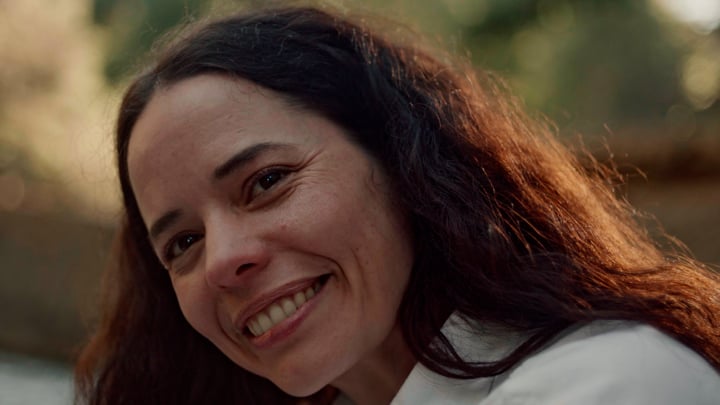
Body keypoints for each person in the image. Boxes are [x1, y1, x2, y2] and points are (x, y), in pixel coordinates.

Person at [75, 5, 720, 405]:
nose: (221, 261)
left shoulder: (613, 384)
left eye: (267, 181)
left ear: (402, 160)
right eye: (182, 244)